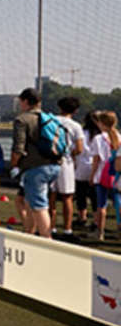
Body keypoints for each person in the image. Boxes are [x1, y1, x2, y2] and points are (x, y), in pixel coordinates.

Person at [10, 87, 61, 239]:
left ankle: (47, 239)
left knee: (39, 206)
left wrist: (14, 165)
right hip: (54, 165)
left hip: (35, 167)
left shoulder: (22, 119)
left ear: (25, 101)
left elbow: (18, 147)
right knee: (30, 201)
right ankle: (29, 234)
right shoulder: (51, 118)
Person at [48, 96, 85, 238]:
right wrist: (70, 153)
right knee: (67, 197)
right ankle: (67, 229)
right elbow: (80, 148)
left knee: (51, 196)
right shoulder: (75, 126)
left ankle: (51, 227)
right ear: (75, 110)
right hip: (66, 162)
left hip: (50, 160)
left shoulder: (51, 121)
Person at [88, 111, 121, 243]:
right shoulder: (119, 137)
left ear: (101, 123)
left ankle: (100, 232)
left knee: (101, 205)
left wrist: (92, 175)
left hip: (102, 175)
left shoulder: (98, 138)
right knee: (118, 203)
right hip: (116, 177)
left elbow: (96, 160)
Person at [74, 111, 101, 229]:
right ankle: (96, 219)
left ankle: (82, 216)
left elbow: (77, 150)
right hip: (97, 168)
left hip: (81, 167)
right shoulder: (101, 136)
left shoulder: (82, 134)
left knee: (81, 194)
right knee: (95, 196)